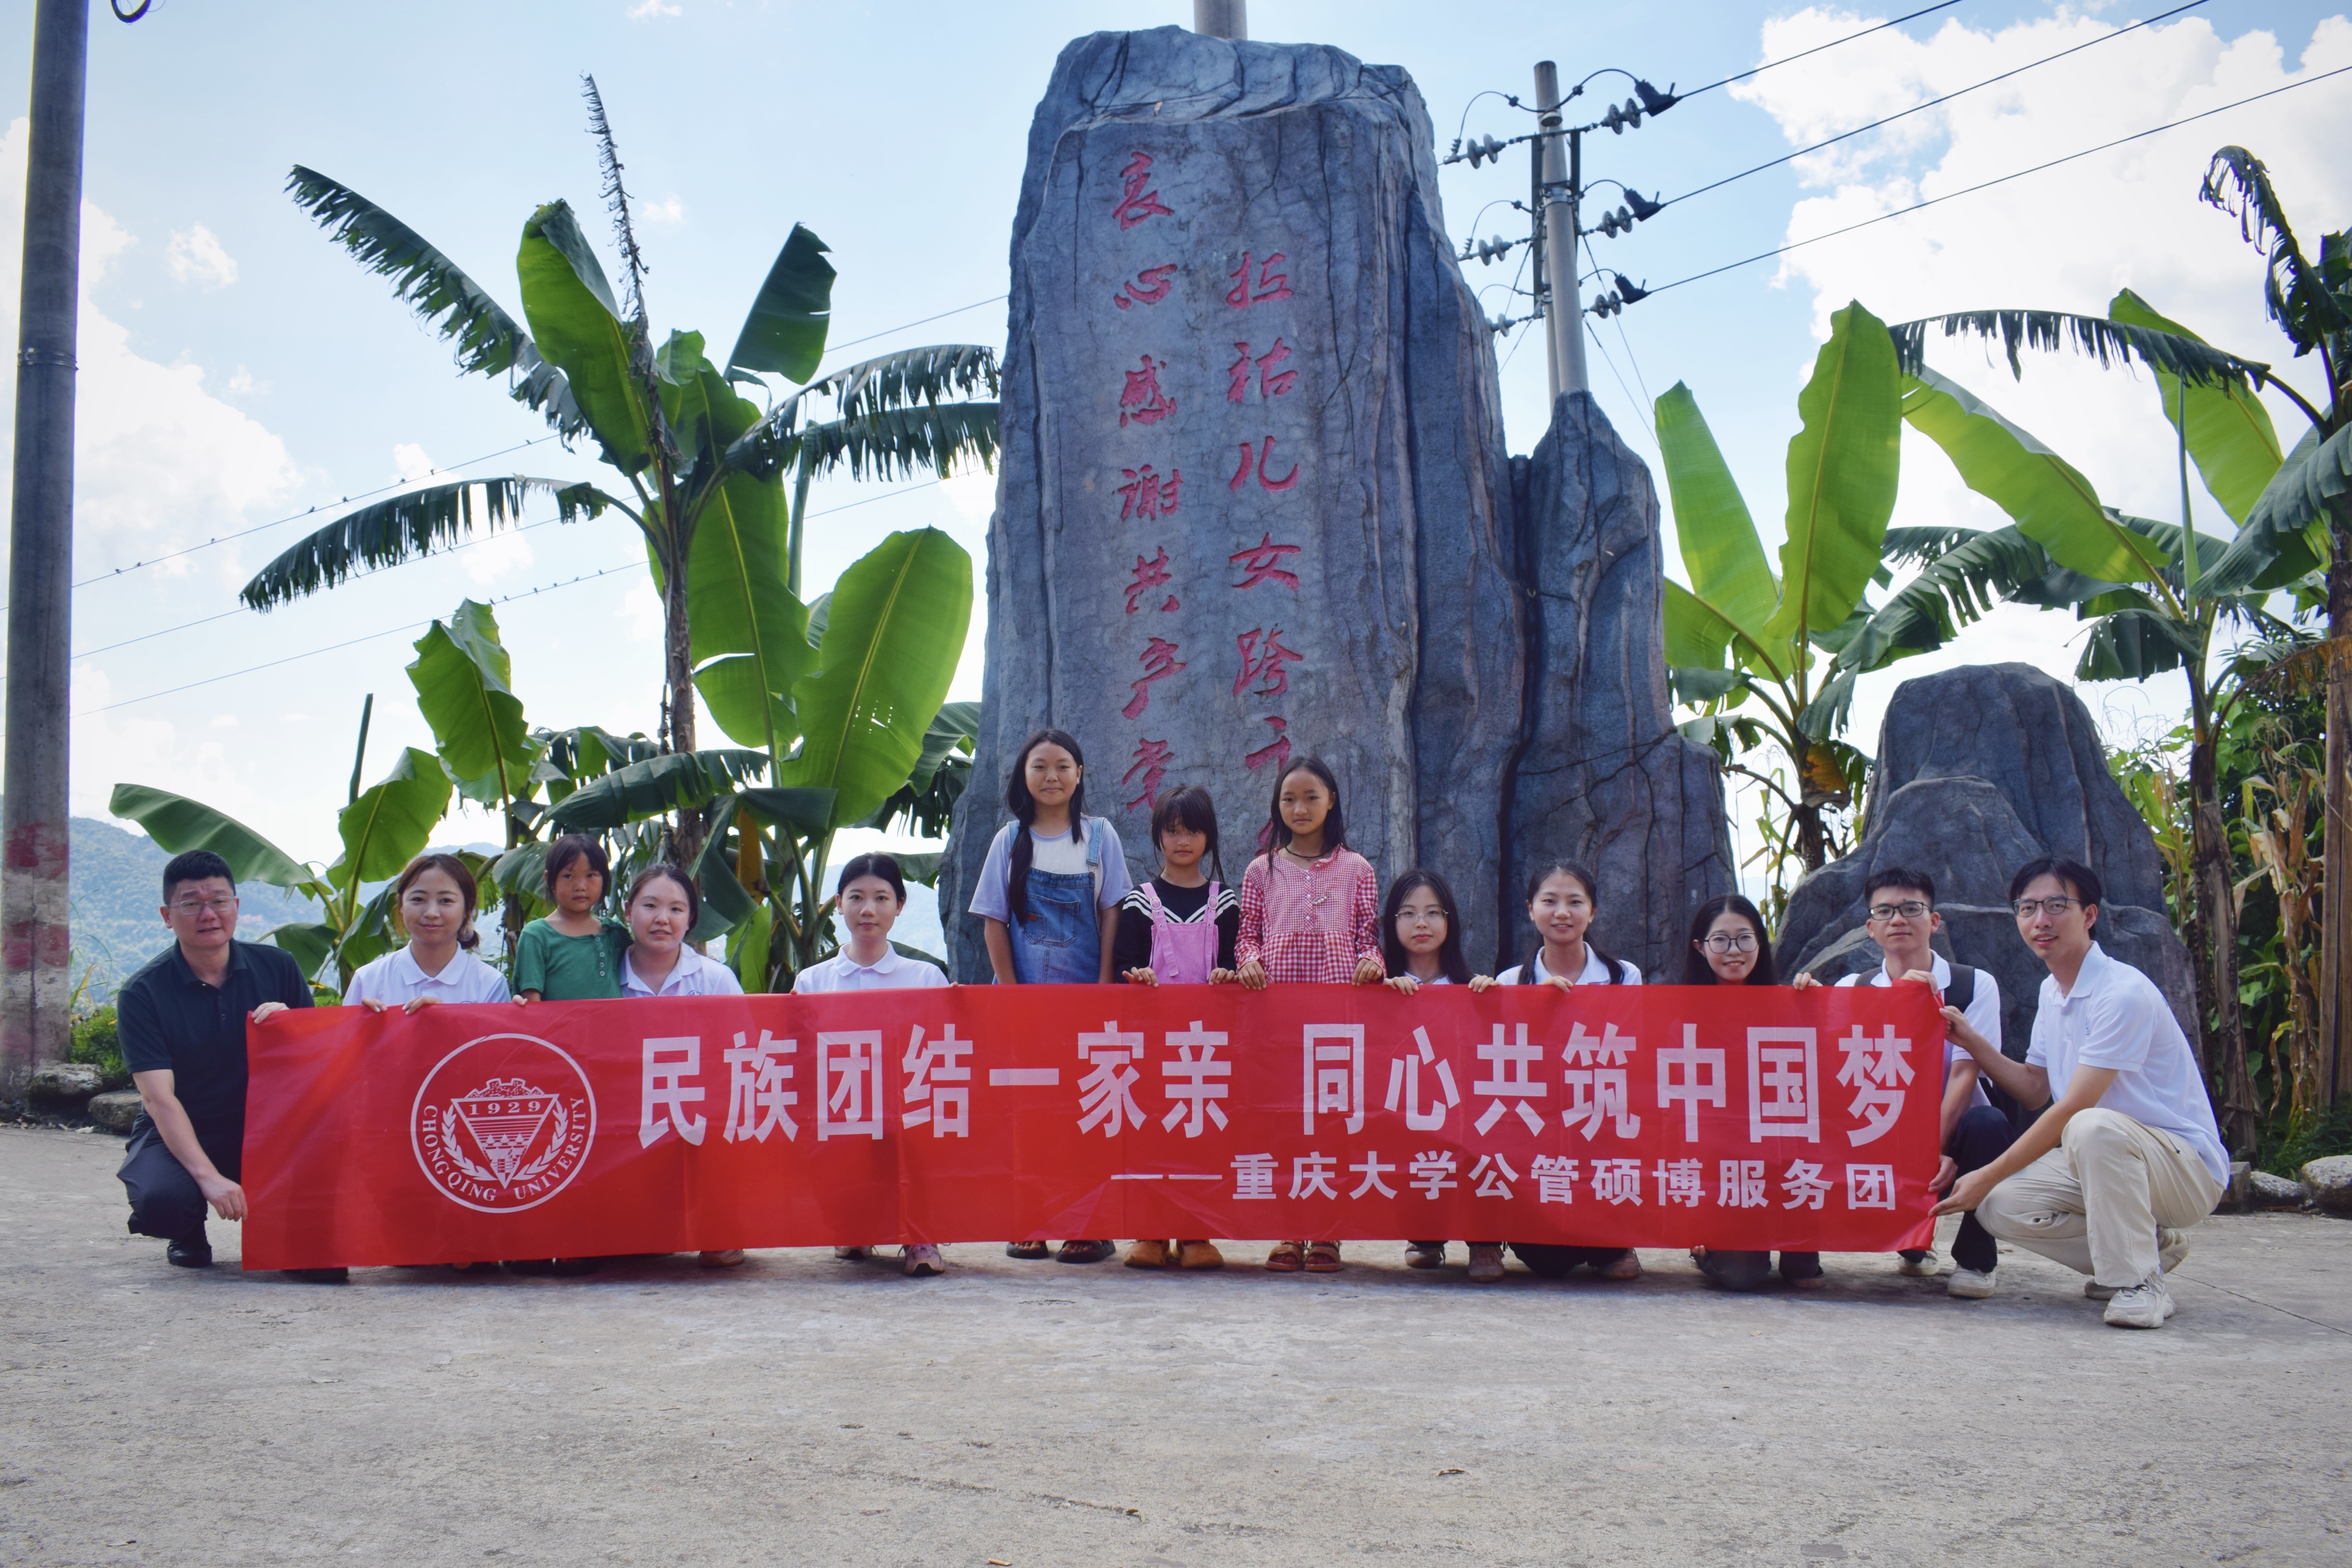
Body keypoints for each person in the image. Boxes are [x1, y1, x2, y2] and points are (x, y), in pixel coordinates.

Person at [1935, 857, 2229, 1329]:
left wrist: (1987, 1172)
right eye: (2027, 908)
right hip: (2103, 1156)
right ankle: (2149, 1249)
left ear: (2089, 914)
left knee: (2088, 1125)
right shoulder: (2052, 992)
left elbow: (2075, 1105)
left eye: (2056, 905)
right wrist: (1971, 1040)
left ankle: (2139, 1283)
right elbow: (2034, 1089)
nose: (2040, 920)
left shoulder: (2121, 992)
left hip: (2183, 1168)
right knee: (1999, 1206)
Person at [1793, 867, 2017, 1297]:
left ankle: (1976, 1260)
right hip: (1884, 1133)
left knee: (1989, 1123)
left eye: (1911, 908)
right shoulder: (1853, 988)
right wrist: (1807, 1006)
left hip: (1953, 1133)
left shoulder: (1972, 985)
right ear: (1870, 928)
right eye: (1885, 911)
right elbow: (1834, 1079)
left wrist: (1930, 1150)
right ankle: (1910, 1240)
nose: (1898, 919)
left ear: (1934, 920)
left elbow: (1965, 1074)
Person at [113, 850, 328, 1282]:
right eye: (191, 903)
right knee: (163, 1202)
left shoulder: (279, 967)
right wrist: (208, 1177)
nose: (208, 914)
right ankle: (187, 1228)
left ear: (237, 906)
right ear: (167, 916)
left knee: (322, 1259)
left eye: (219, 901)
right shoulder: (143, 992)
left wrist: (292, 1026)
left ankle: (280, 1228)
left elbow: (317, 1061)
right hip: (181, 1125)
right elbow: (159, 1098)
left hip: (264, 1129)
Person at [968, 727, 1130, 1264]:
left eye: (1063, 765)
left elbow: (1113, 912)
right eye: (1039, 766)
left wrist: (1105, 986)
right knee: (1028, 1112)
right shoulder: (1008, 839)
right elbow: (993, 920)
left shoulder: (1101, 837)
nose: (1052, 776)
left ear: (1080, 774)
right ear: (1024, 775)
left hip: (1088, 1002)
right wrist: (1012, 996)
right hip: (1024, 1005)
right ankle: (1031, 1221)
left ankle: (1089, 1224)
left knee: (1088, 1109)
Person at [1235, 755, 1382, 1274]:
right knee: (1282, 1123)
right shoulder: (1261, 869)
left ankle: (1326, 1231)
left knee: (1331, 1124)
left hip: (1337, 1018)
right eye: (1289, 798)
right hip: (1276, 1018)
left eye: (1311, 797)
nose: (1300, 807)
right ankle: (1286, 1229)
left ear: (1332, 800)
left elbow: (1369, 936)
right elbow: (1246, 934)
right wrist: (1249, 961)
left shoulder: (1358, 868)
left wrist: (1373, 961)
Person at [794, 852, 952, 1276]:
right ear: (838, 903)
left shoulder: (926, 978)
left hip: (907, 1109)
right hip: (839, 1109)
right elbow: (801, 1059)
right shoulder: (811, 982)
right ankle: (855, 1226)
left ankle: (919, 1234)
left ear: (900, 905)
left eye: (881, 898)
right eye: (856, 897)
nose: (868, 909)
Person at [1496, 861, 1644, 1283]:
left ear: (1592, 912)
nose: (1562, 912)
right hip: (1536, 1130)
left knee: (1609, 1253)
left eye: (1575, 902)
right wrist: (1533, 1006)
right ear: (1531, 909)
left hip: (1601, 1124)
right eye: (1550, 901)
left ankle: (1617, 1241)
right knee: (1547, 1262)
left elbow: (1631, 1055)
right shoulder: (1511, 981)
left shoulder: (1623, 975)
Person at [1112, 784, 1238, 1273]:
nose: (1182, 841)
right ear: (1158, 836)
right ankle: (1150, 1231)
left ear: (1209, 837)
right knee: (1149, 1133)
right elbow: (1121, 966)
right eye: (1172, 830)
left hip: (1207, 1049)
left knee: (1201, 1136)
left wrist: (1228, 976)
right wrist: (1136, 977)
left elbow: (1237, 963)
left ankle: (1195, 1232)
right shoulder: (1138, 901)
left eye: (1193, 831)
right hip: (1150, 1046)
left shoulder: (1225, 901)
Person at [1681, 894, 1820, 1292]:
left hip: (1782, 1161)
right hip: (1718, 1168)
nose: (1734, 950)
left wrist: (1821, 1006)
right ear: (1700, 947)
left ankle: (1797, 1241)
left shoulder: (1789, 1004)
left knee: (1801, 1273)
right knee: (1742, 1274)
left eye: (1744, 938)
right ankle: (1708, 1249)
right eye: (1720, 940)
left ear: (1760, 941)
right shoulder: (1676, 1013)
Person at [616, 864, 750, 1270]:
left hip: (700, 1113)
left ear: (691, 919)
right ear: (628, 911)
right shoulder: (605, 977)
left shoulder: (715, 979)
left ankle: (720, 1227)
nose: (663, 918)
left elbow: (745, 1055)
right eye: (650, 906)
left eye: (676, 909)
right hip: (624, 1112)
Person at [1378, 870, 1503, 1280]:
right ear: (1392, 922)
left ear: (1450, 921)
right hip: (1407, 1120)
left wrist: (1490, 1002)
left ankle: (1485, 1239)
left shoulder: (1471, 988)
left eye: (1433, 912)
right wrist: (1379, 998)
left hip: (1463, 1117)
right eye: (1409, 913)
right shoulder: (1378, 992)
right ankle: (1426, 1235)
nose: (1422, 923)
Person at [344, 855, 511, 1011]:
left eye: (446, 901)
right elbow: (344, 1034)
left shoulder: (490, 984)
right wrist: (363, 1024)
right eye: (418, 899)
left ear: (468, 909)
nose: (432, 913)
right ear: (401, 905)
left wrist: (444, 1020)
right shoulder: (367, 980)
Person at [513, 834, 628, 1005]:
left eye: (591, 875)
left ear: (604, 879)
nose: (580, 886)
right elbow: (532, 1002)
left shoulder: (614, 932)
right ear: (549, 880)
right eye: (568, 876)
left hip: (614, 1023)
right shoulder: (537, 935)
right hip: (558, 1024)